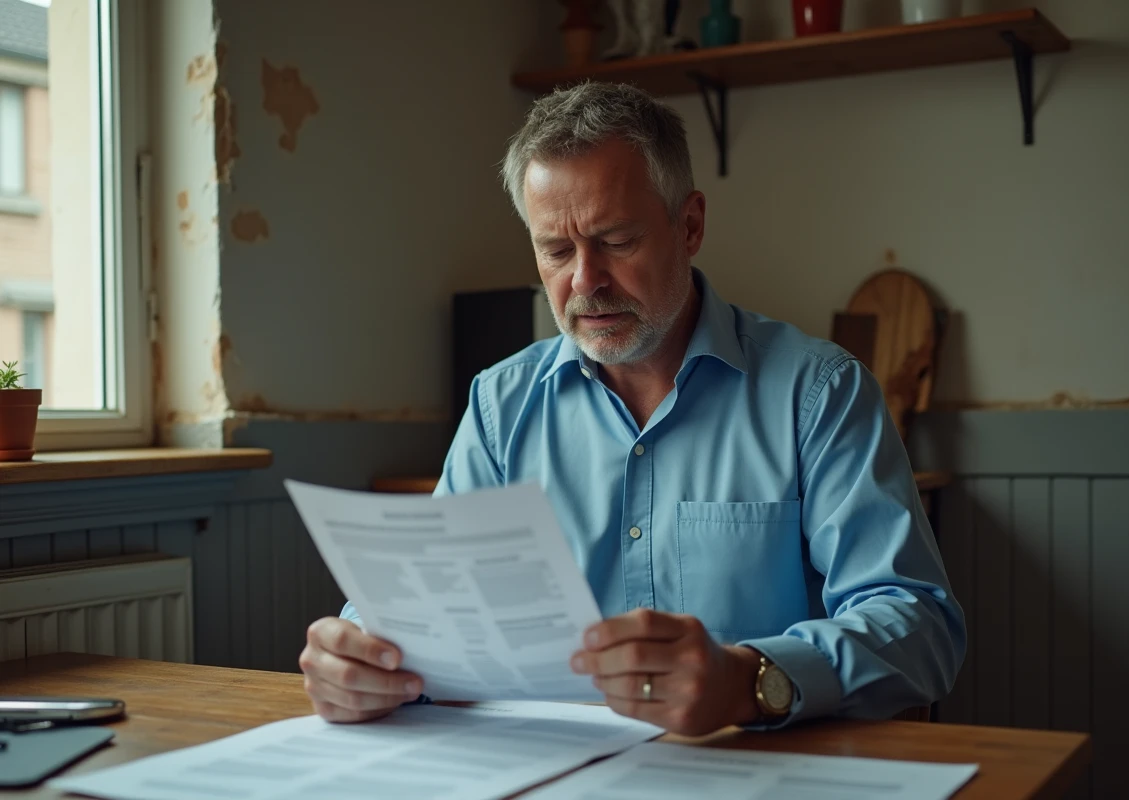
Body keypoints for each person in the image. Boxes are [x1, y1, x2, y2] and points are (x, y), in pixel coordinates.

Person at [299, 81, 966, 736]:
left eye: (616, 241)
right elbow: (427, 605)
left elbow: (918, 624)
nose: (584, 281)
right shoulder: (501, 405)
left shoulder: (818, 392)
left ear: (691, 225)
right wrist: (357, 650)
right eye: (556, 251)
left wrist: (748, 679)